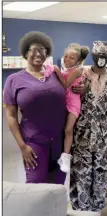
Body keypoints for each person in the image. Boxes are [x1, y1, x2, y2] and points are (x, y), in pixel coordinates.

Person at [3, 31, 66, 184]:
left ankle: (54, 210)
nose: (38, 54)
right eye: (34, 50)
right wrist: (22, 146)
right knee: (35, 186)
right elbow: (11, 115)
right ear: (25, 52)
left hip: (60, 142)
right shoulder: (14, 80)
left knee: (57, 186)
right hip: (34, 144)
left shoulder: (55, 74)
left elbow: (71, 93)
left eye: (43, 50)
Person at [69, 40, 107, 212]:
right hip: (81, 138)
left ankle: (97, 211)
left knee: (100, 176)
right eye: (98, 55)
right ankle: (82, 212)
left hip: (103, 139)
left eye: (105, 56)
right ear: (92, 56)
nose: (101, 59)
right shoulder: (80, 75)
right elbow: (69, 101)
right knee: (81, 176)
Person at [45, 43, 89, 173]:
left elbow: (65, 85)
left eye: (71, 58)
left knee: (68, 129)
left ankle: (66, 157)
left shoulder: (77, 71)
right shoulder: (67, 71)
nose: (67, 59)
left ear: (79, 61)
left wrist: (56, 70)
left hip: (73, 103)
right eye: (65, 56)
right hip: (64, 103)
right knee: (62, 130)